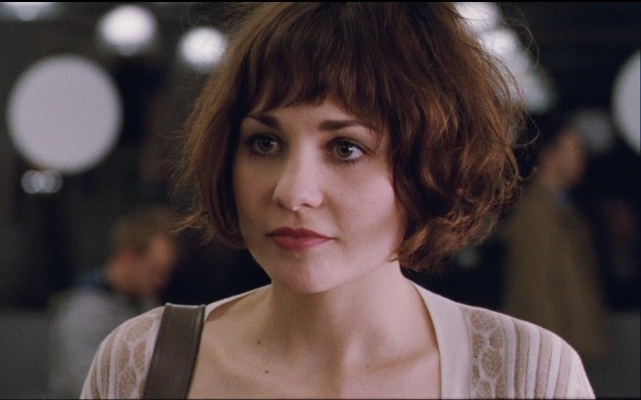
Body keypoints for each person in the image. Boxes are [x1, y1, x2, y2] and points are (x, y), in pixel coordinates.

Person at [81, 3, 595, 398]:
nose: (292, 192)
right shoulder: (144, 364)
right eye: (265, 143)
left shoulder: (524, 375)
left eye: (346, 148)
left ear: (429, 165)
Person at [500, 114, 610, 366]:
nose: (581, 158)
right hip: (553, 356)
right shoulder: (534, 216)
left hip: (571, 349)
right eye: (574, 148)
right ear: (550, 155)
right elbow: (536, 293)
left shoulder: (565, 211)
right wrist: (551, 359)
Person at [48, 205, 180, 399]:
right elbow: (90, 389)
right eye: (155, 271)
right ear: (128, 257)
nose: (162, 281)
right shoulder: (83, 315)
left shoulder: (146, 304)